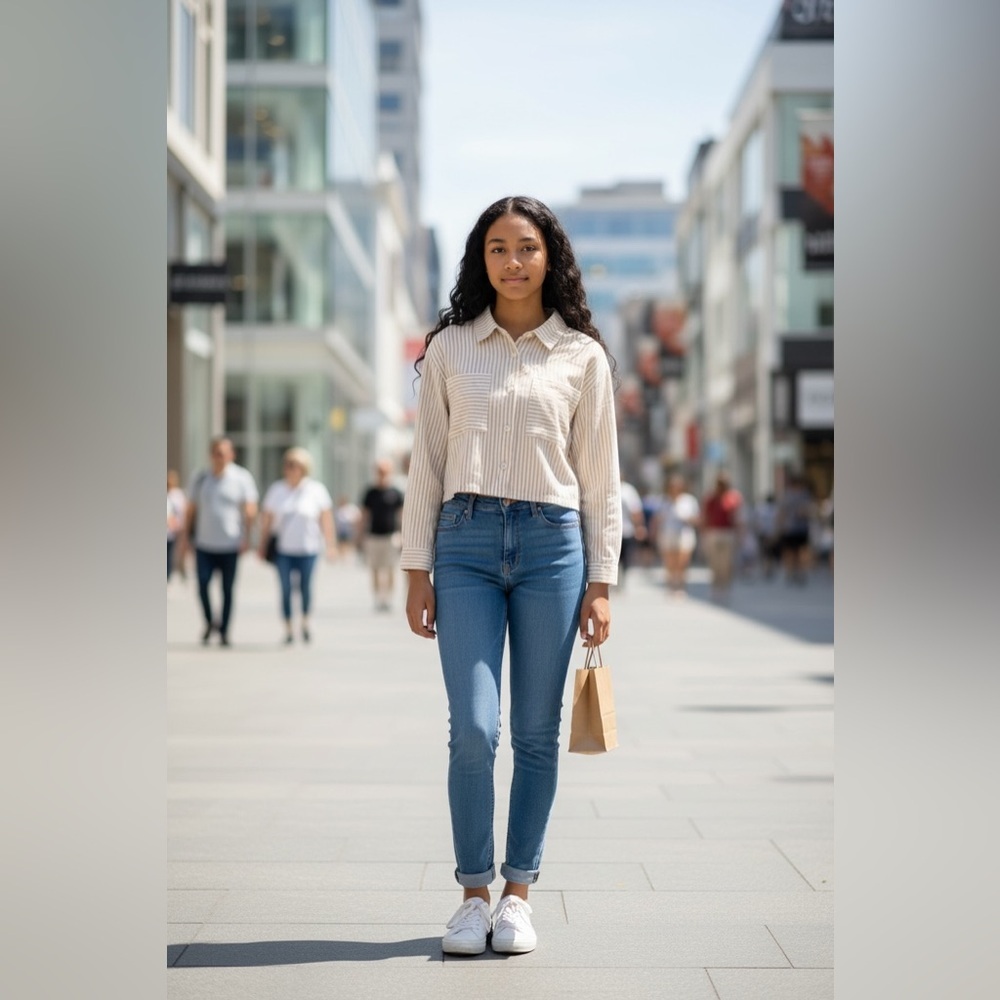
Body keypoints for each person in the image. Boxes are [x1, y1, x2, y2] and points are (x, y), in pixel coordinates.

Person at [401, 196, 622, 957]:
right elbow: (425, 462)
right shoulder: (451, 349)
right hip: (461, 544)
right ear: (481, 259)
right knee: (475, 728)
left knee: (534, 731)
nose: (513, 261)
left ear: (549, 257)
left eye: (526, 247)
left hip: (552, 547)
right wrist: (414, 567)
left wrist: (602, 580)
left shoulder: (583, 356)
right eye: (498, 247)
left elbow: (600, 477)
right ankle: (471, 895)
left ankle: (519, 893)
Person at [183, 437, 258, 646]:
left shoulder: (241, 478)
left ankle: (224, 630)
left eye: (224, 453)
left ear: (232, 455)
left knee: (227, 589)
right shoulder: (200, 478)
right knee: (202, 585)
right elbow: (191, 511)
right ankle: (209, 622)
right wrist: (185, 539)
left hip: (230, 544)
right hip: (204, 543)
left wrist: (247, 537)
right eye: (216, 452)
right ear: (211, 455)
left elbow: (250, 508)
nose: (220, 457)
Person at [258, 447, 336, 644]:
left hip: (308, 549)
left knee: (305, 588)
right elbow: (267, 520)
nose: (291, 469)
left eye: (296, 465)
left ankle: (305, 622)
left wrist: (331, 545)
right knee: (285, 589)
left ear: (304, 468)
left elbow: (326, 520)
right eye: (288, 465)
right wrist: (262, 544)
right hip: (283, 550)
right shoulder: (277, 490)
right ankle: (288, 628)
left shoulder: (316, 490)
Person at [360, 459, 405, 611]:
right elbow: (364, 515)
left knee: (391, 568)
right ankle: (378, 597)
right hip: (373, 536)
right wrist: (360, 535)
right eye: (380, 471)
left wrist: (404, 535)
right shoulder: (370, 493)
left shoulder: (396, 493)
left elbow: (401, 515)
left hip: (391, 536)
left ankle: (388, 598)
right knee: (375, 569)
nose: (382, 474)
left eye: (385, 471)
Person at [653, 473, 700, 597]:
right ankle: (671, 585)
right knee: (669, 562)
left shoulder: (689, 500)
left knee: (682, 561)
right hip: (667, 534)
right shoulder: (663, 501)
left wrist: (688, 518)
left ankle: (680, 586)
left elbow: (697, 519)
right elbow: (657, 519)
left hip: (684, 534)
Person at [700, 471, 743, 598]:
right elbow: (705, 517)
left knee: (727, 563)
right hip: (713, 533)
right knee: (714, 562)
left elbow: (738, 517)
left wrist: (740, 534)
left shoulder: (734, 498)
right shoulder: (711, 498)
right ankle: (715, 586)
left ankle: (725, 587)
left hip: (728, 533)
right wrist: (704, 534)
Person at [776, 473, 815, 585]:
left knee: (794, 552)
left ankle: (794, 572)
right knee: (795, 551)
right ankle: (795, 572)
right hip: (797, 528)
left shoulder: (790, 495)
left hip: (794, 528)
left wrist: (780, 526)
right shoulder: (804, 495)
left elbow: (782, 513)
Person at [618, 476, 646, 588]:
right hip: (611, 531)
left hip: (626, 530)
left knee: (625, 556)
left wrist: (639, 527)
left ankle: (622, 579)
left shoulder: (628, 491)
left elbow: (636, 510)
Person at [167, 469, 187, 582]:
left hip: (178, 527)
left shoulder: (178, 494)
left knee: (178, 551)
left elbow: (182, 510)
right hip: (169, 529)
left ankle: (181, 570)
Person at [333, 495, 362, 561]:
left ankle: (345, 555)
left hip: (349, 529)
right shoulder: (338, 510)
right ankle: (342, 556)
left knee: (347, 542)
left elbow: (357, 517)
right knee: (342, 542)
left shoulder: (350, 509)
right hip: (341, 530)